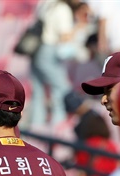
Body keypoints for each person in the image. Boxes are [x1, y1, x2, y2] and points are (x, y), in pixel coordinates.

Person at [28, 0, 79, 128]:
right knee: (62, 88)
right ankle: (58, 124)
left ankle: (36, 126)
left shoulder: (45, 4)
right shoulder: (62, 8)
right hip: (50, 50)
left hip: (36, 50)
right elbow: (65, 36)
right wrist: (80, 27)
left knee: (38, 91)